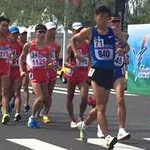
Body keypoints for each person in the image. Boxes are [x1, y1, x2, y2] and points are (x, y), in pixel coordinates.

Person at [70, 6, 129, 150]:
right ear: (96, 17)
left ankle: (83, 125)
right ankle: (108, 137)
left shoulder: (113, 31)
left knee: (99, 107)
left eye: (106, 17)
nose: (103, 20)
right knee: (101, 107)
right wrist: (76, 53)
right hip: (96, 71)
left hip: (109, 71)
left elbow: (126, 45)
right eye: (100, 16)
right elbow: (73, 39)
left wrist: (122, 50)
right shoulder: (89, 32)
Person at [97, 13, 131, 141]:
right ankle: (100, 126)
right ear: (108, 22)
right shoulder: (101, 34)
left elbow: (126, 47)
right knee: (102, 103)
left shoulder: (124, 35)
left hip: (118, 70)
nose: (115, 23)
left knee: (120, 99)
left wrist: (124, 54)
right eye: (112, 21)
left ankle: (121, 130)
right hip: (105, 70)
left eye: (117, 21)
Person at [19, 24, 51, 128]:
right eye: (40, 32)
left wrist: (52, 65)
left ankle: (38, 115)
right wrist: (21, 70)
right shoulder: (29, 45)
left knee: (46, 97)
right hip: (34, 73)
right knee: (40, 97)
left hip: (44, 73)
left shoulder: (47, 48)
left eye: (44, 32)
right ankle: (32, 118)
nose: (42, 34)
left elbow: (49, 62)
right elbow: (21, 58)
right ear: (35, 33)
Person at [65, 22, 90, 128]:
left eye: (80, 29)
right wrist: (71, 66)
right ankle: (72, 119)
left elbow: (90, 59)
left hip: (83, 73)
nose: (79, 32)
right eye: (77, 30)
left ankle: (80, 116)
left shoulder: (87, 44)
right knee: (70, 96)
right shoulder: (70, 46)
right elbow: (65, 62)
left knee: (84, 97)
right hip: (73, 73)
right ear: (73, 32)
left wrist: (90, 71)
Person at [37, 22, 61, 123]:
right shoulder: (42, 43)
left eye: (54, 30)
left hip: (52, 71)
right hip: (43, 70)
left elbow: (57, 58)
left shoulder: (57, 45)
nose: (52, 32)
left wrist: (57, 65)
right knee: (42, 94)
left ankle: (45, 112)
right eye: (50, 30)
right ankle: (38, 110)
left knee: (49, 94)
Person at [9, 26, 22, 121]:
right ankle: (4, 105)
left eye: (16, 34)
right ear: (10, 34)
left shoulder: (20, 45)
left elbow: (23, 57)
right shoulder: (6, 45)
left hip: (17, 71)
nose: (15, 35)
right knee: (7, 92)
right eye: (13, 34)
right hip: (7, 71)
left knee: (17, 92)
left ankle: (17, 113)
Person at [0, 16, 11, 124]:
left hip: (5, 68)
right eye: (3, 25)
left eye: (6, 26)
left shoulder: (8, 39)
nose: (5, 27)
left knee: (5, 91)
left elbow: (10, 53)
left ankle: (5, 114)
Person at [18, 27, 30, 112]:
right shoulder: (16, 43)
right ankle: (13, 101)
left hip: (25, 68)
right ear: (19, 35)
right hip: (16, 67)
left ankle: (26, 103)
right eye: (23, 34)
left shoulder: (28, 45)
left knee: (25, 86)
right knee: (16, 88)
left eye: (26, 34)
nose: (24, 36)